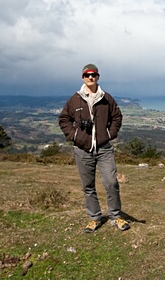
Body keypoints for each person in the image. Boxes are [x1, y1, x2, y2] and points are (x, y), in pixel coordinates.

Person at [58, 63, 130, 233]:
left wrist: (108, 134)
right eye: (87, 75)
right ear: (83, 77)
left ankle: (115, 216)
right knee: (88, 186)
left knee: (112, 182)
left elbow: (117, 117)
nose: (91, 77)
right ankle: (94, 218)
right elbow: (63, 120)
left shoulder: (106, 98)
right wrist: (76, 137)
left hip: (104, 148)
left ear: (98, 77)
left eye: (94, 75)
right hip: (82, 150)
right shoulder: (75, 99)